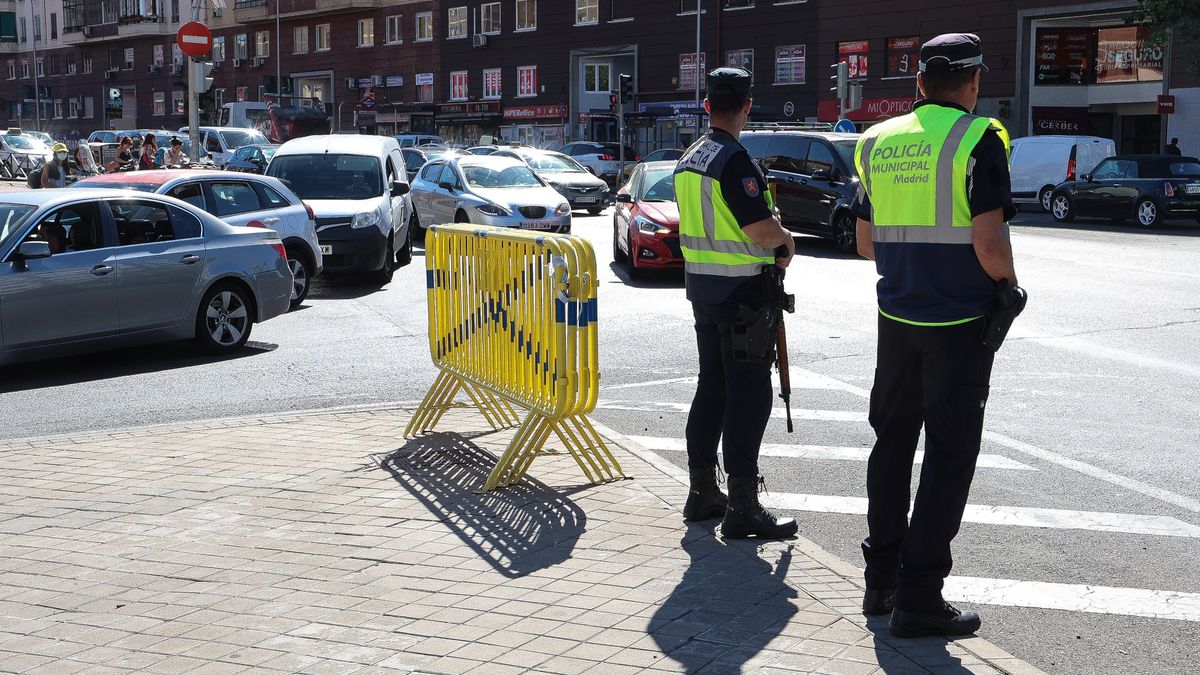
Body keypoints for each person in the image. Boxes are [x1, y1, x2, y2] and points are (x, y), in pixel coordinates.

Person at [851, 33, 1019, 638]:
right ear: (973, 85)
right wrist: (1011, 288)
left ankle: (881, 581)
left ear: (918, 84)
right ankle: (920, 597)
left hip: (896, 320)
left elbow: (867, 243)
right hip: (957, 326)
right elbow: (990, 243)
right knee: (949, 456)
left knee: (891, 446)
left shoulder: (876, 141)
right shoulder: (978, 139)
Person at [673, 67, 798, 541]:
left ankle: (703, 490)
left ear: (707, 106)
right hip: (743, 293)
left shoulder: (690, 158)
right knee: (749, 393)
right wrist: (785, 240)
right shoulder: (735, 160)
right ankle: (743, 505)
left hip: (703, 290)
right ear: (747, 106)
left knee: (713, 387)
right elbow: (759, 231)